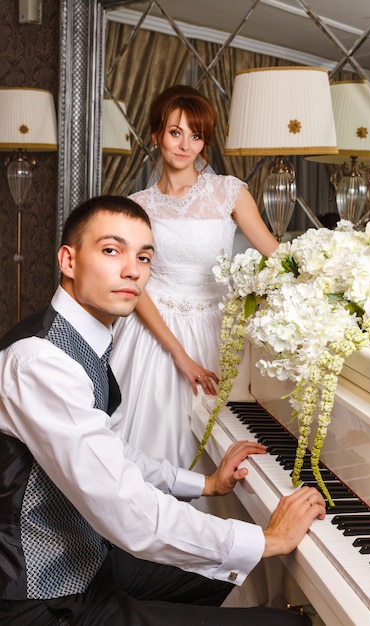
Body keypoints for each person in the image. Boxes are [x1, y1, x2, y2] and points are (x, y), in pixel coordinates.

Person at [0, 195, 325, 625]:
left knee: (231, 573)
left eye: (145, 256)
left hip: (89, 561)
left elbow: (114, 453)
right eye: (111, 250)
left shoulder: (85, 338)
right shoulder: (41, 362)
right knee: (287, 619)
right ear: (69, 260)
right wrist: (266, 539)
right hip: (44, 598)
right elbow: (124, 508)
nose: (133, 270)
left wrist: (205, 484)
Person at [111, 84, 279, 468]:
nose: (186, 144)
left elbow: (276, 257)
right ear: (156, 135)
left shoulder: (229, 193)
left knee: (221, 438)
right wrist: (181, 357)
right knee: (149, 445)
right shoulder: (137, 206)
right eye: (175, 132)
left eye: (196, 135)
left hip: (218, 330)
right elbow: (136, 287)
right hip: (154, 334)